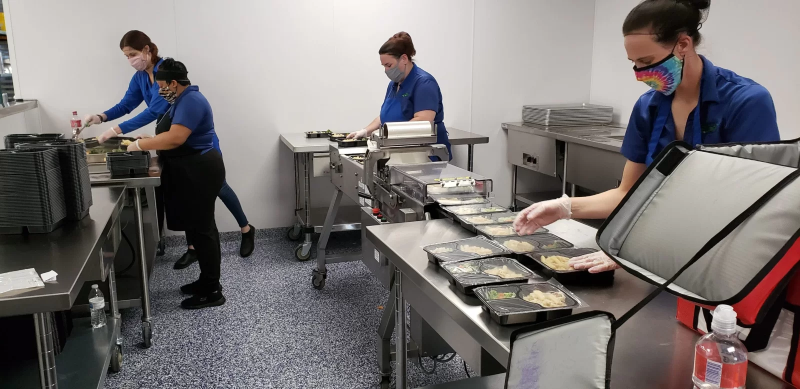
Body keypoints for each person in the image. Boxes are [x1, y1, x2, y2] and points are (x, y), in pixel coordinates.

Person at [513, 0, 780, 272]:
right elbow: (627, 193)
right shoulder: (649, 107)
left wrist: (640, 249)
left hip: (722, 258)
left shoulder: (745, 102)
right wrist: (565, 207)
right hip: (663, 256)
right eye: (634, 63)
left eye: (647, 62)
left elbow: (747, 209)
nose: (640, 75)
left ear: (683, 45)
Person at [84, 30, 256, 263]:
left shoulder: (167, 73)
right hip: (170, 141)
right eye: (125, 56)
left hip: (195, 145)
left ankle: (246, 229)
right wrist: (101, 117)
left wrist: (117, 131)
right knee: (184, 193)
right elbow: (126, 104)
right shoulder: (141, 78)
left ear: (147, 49)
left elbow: (155, 110)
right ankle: (192, 247)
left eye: (132, 54)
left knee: (218, 187)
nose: (129, 60)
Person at [126, 58, 226, 309]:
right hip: (189, 170)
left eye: (162, 85)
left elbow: (176, 138)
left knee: (203, 230)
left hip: (200, 170)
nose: (160, 91)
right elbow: (169, 133)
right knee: (196, 229)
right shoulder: (181, 101)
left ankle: (213, 291)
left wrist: (139, 145)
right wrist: (150, 138)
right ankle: (205, 280)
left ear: (173, 82)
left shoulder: (191, 100)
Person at [347, 32, 451, 159]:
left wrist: (386, 134)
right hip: (401, 154)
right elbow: (386, 115)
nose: (386, 70)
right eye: (384, 66)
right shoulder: (394, 84)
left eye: (388, 65)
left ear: (404, 59)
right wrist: (365, 131)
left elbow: (423, 121)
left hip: (425, 155)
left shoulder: (424, 83)